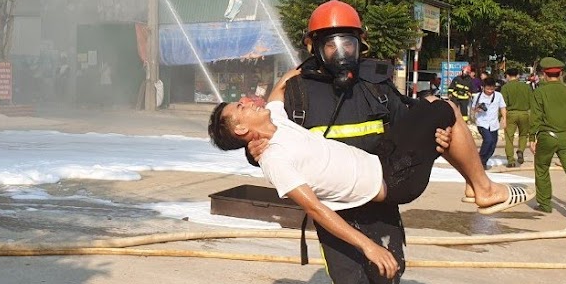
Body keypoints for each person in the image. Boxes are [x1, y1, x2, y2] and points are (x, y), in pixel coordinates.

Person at [233, 0, 446, 284]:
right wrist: (253, 151)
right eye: (330, 43)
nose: (340, 52)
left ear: (360, 41)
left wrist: (434, 140)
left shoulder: (379, 84)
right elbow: (267, 142)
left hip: (379, 194)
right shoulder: (298, 92)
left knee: (392, 270)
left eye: (347, 41)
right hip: (333, 208)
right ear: (314, 45)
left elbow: (406, 132)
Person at [209, 72, 527, 220]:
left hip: (382, 160)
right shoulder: (273, 156)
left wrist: (304, 66)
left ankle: (474, 185)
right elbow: (314, 209)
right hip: (393, 181)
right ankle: (482, 188)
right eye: (239, 107)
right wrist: (368, 247)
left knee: (431, 103)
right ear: (240, 128)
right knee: (444, 110)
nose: (245, 102)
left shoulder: (277, 117)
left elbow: (280, 86)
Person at [529, 57, 566, 221]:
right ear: (561, 73)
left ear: (544, 74)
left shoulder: (539, 92)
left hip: (547, 137)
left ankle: (544, 203)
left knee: (542, 168)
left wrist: (531, 138)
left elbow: (535, 117)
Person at [472, 77, 507, 169]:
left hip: (494, 124)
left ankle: (484, 161)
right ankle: (479, 158)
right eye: (488, 89)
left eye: (492, 89)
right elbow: (473, 109)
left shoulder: (498, 95)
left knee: (493, 145)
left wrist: (504, 119)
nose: (490, 91)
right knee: (488, 140)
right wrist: (478, 109)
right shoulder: (478, 96)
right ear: (483, 87)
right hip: (482, 123)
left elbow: (502, 107)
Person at [500, 68, 533, 166]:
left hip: (511, 114)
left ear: (508, 76)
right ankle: (521, 150)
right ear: (518, 76)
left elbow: (502, 104)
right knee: (523, 135)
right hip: (524, 114)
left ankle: (510, 160)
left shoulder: (505, 87)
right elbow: (532, 102)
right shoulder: (526, 87)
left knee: (509, 138)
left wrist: (500, 117)